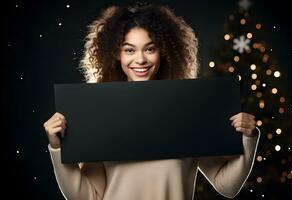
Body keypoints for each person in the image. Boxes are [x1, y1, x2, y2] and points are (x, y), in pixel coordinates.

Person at [43, 2, 260, 200]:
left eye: (150, 48)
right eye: (129, 50)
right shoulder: (102, 111)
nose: (140, 60)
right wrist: (57, 148)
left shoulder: (189, 108)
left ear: (163, 52)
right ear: (116, 55)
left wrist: (249, 138)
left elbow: (227, 186)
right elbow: (87, 196)